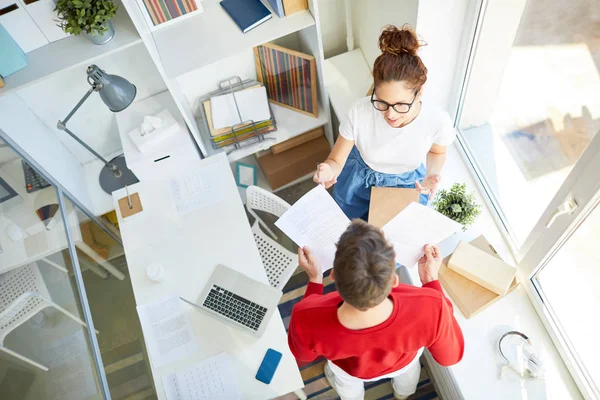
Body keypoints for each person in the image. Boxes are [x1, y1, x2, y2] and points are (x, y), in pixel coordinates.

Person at [287, 220, 464, 400]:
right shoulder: (432, 306)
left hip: (349, 370)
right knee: (408, 377)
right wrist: (431, 280)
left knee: (347, 387)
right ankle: (403, 394)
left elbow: (303, 355)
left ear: (333, 277)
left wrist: (315, 281)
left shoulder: (305, 316)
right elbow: (450, 357)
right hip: (402, 362)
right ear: (394, 280)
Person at [314, 25, 456, 220]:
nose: (390, 114)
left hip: (407, 183)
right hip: (359, 179)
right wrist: (328, 170)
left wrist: (432, 174)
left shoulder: (437, 121)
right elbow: (337, 160)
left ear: (420, 91)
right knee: (353, 229)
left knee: (395, 235)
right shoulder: (360, 112)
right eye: (382, 102)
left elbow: (437, 151)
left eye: (400, 105)